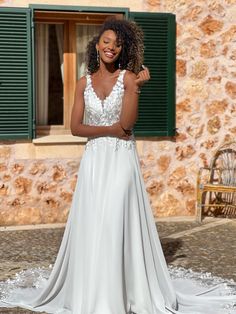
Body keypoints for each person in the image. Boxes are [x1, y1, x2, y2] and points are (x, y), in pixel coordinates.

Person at [0, 17, 235, 314]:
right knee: (94, 221)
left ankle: (119, 293)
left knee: (114, 217)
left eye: (118, 44)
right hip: (95, 161)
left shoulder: (128, 78)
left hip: (121, 158)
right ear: (97, 45)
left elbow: (126, 125)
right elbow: (75, 127)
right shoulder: (83, 82)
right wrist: (107, 130)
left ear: (123, 49)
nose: (112, 47)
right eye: (107, 41)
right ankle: (96, 289)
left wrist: (135, 89)